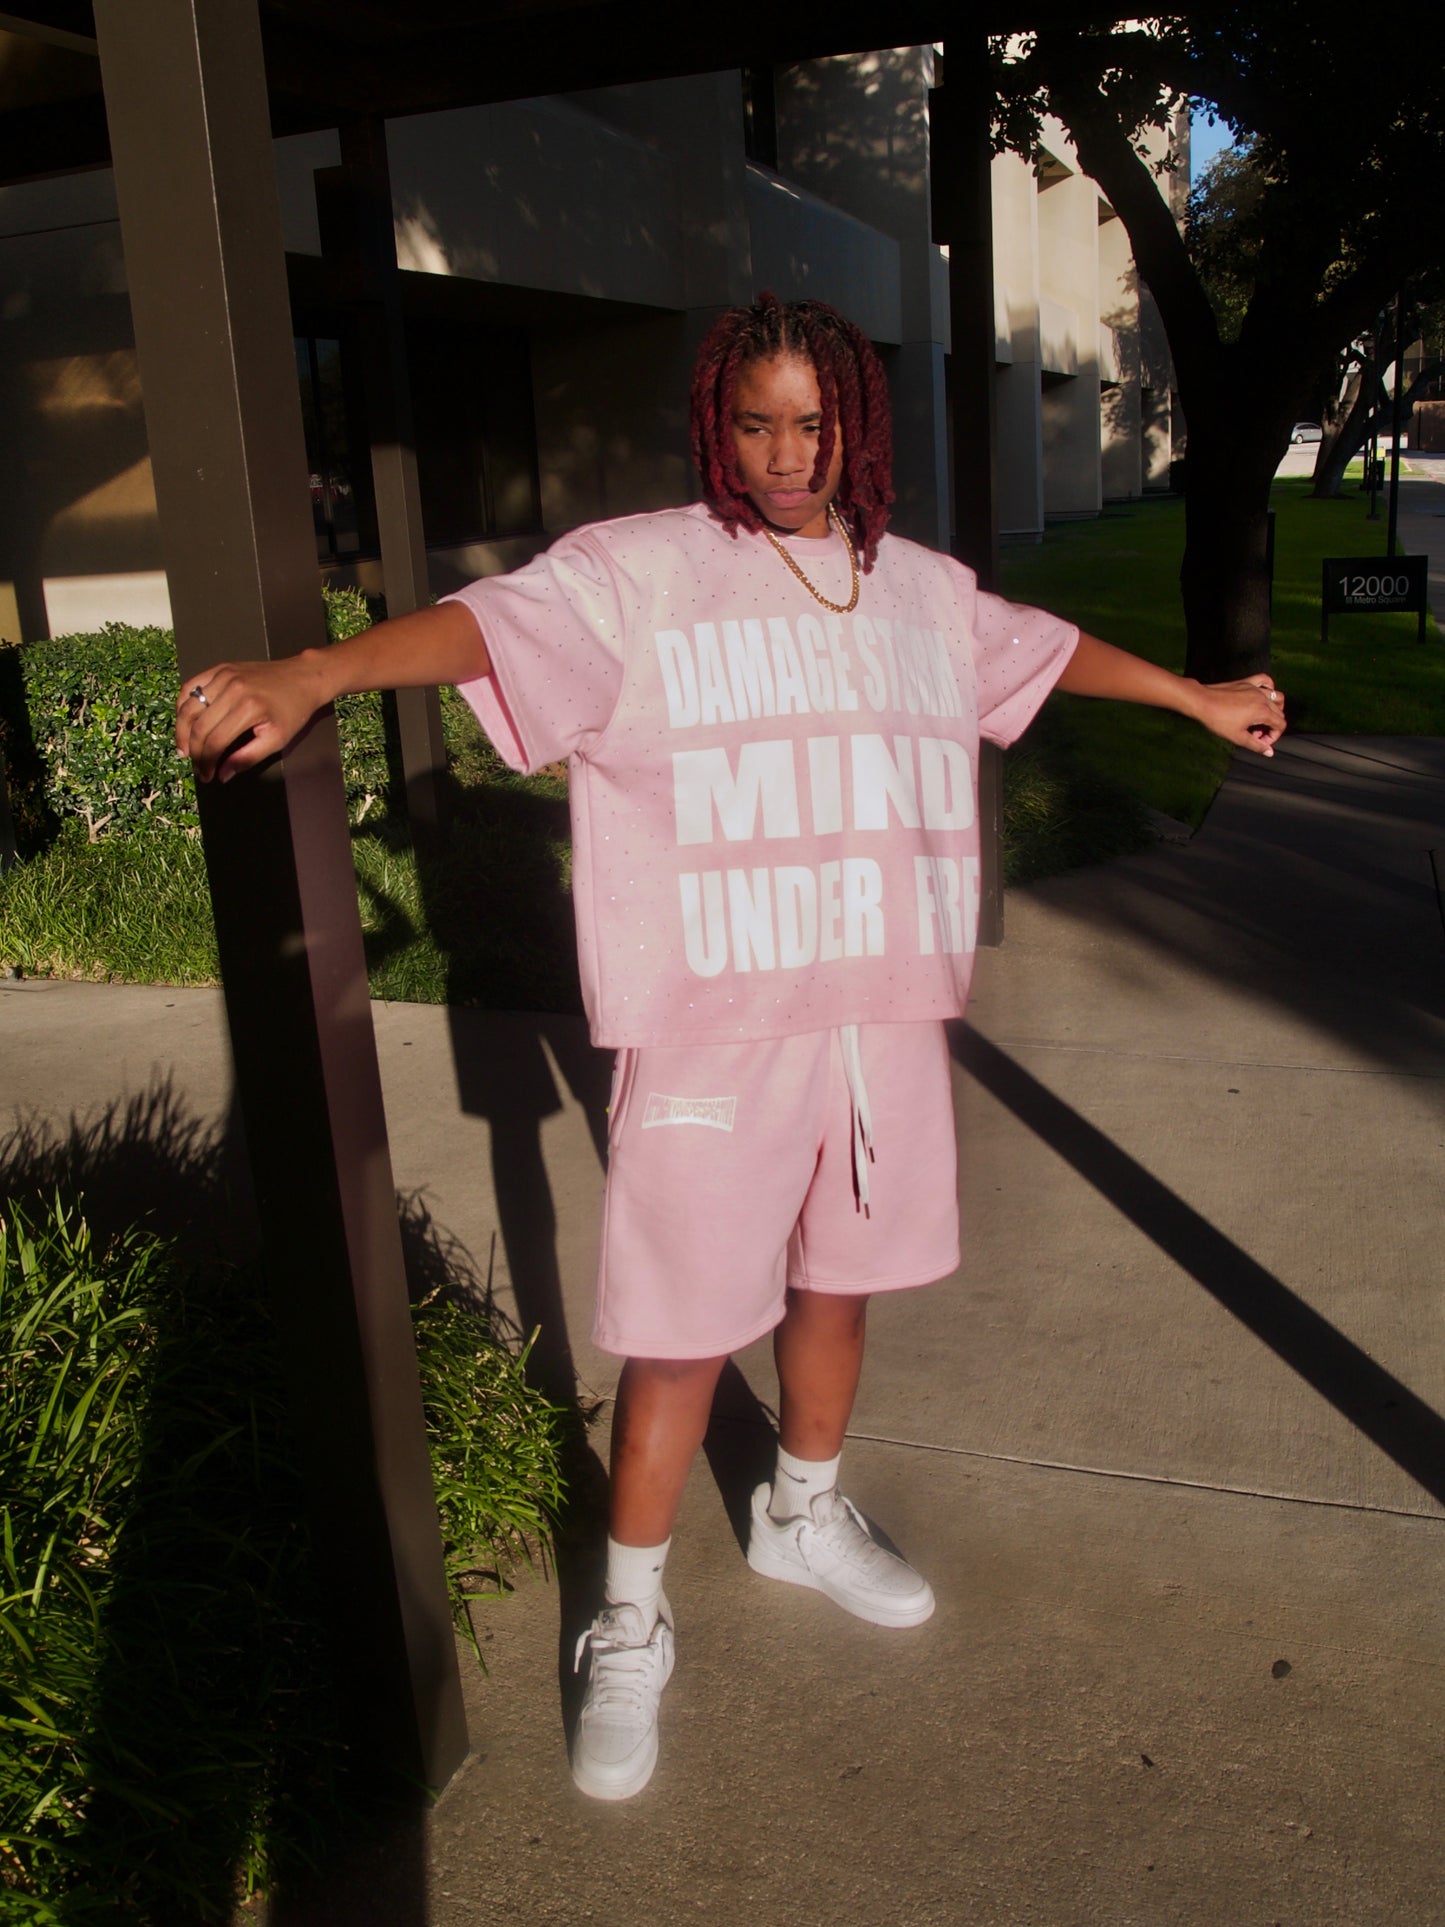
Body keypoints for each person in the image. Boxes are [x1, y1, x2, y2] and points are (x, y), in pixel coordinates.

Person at [177, 295, 1285, 1804]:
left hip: (876, 1006)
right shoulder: (644, 571)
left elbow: (1040, 650)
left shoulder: (912, 586)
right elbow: (490, 626)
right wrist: (317, 671)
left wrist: (1192, 696)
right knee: (684, 1330)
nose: (781, 452)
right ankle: (628, 1620)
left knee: (840, 1284)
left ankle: (800, 1511)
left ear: (854, 425)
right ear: (717, 421)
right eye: (753, 421)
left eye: (809, 422)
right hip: (710, 1027)